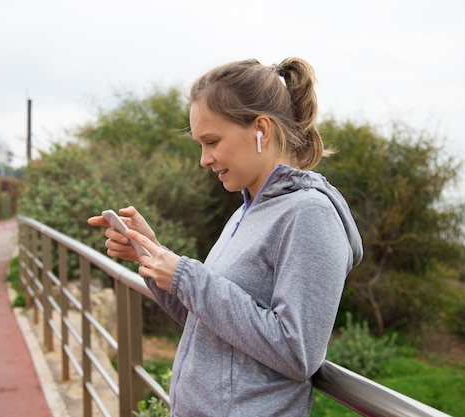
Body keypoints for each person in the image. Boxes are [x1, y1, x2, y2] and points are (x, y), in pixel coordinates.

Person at [88, 57, 363, 417]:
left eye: (212, 141)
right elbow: (213, 322)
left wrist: (187, 275)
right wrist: (153, 257)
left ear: (261, 128)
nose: (204, 159)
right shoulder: (245, 211)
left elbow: (299, 353)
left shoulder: (310, 214)